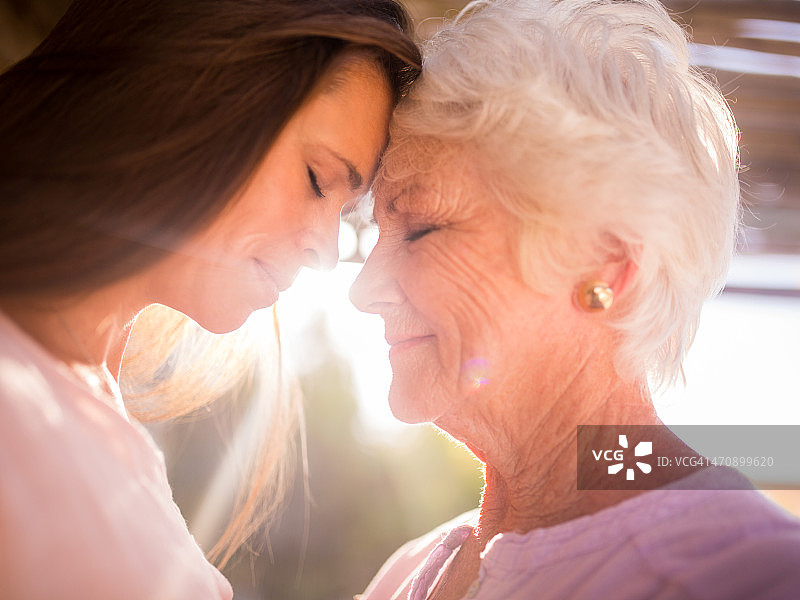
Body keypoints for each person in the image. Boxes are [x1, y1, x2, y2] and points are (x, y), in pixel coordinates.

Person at [350, 0, 800, 598]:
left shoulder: (753, 577)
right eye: (377, 231)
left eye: (421, 227)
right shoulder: (405, 574)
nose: (364, 289)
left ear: (604, 264)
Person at [0, 0, 420, 597]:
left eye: (346, 213)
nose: (327, 252)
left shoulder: (100, 425)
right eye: (316, 180)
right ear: (189, 91)